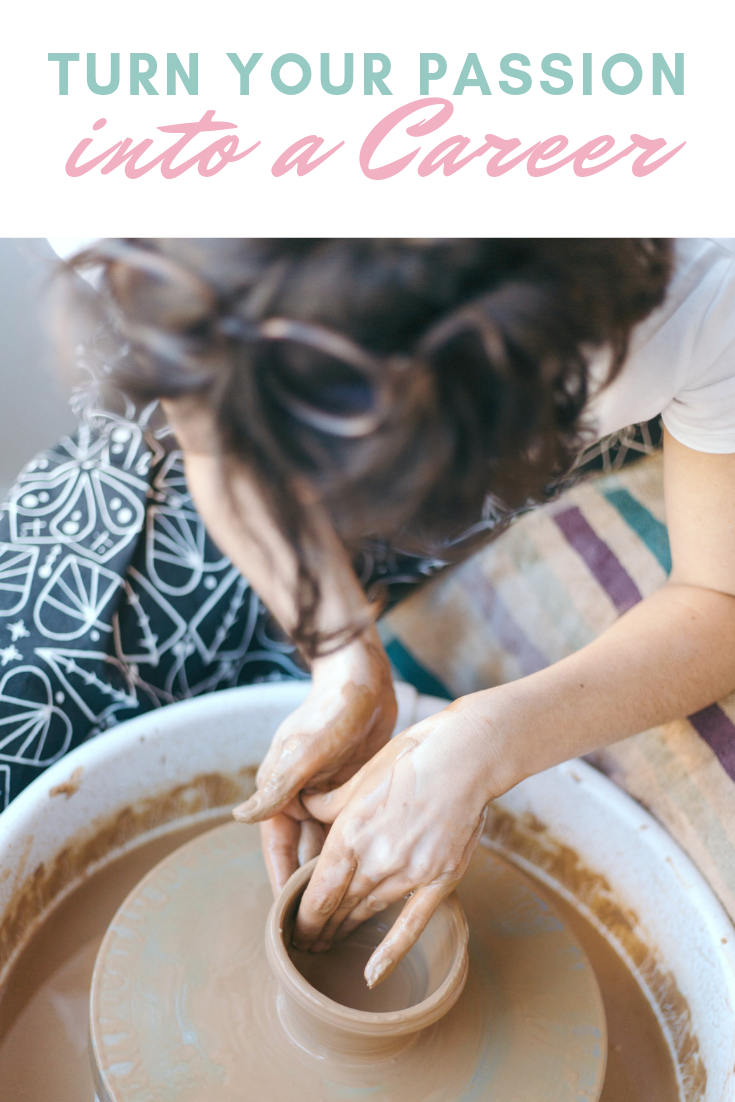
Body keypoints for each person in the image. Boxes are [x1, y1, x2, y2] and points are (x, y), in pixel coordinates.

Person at [7, 237, 735, 990]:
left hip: (521, 424)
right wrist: (339, 652)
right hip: (224, 420)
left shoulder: (698, 281)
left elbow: (719, 595)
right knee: (31, 694)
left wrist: (484, 743)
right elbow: (211, 444)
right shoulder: (146, 204)